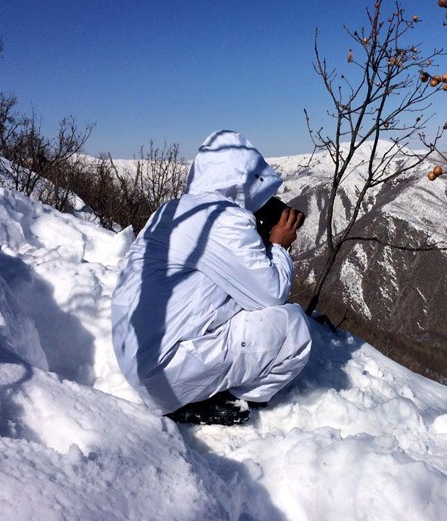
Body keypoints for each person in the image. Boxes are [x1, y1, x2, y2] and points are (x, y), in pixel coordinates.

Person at [111, 130, 314, 425]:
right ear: (243, 179)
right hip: (167, 373)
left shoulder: (170, 211)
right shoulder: (223, 219)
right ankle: (232, 397)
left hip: (136, 359)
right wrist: (279, 246)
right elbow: (272, 293)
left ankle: (198, 387)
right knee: (294, 328)